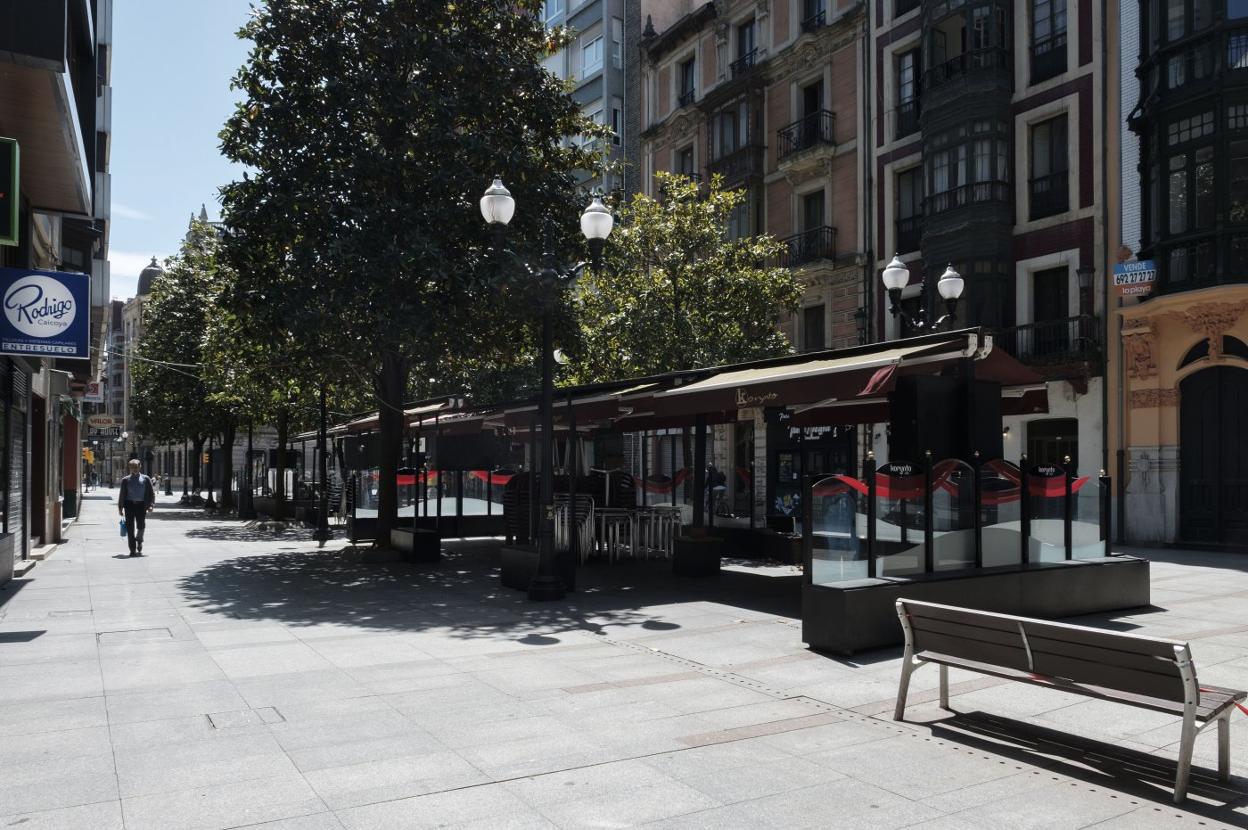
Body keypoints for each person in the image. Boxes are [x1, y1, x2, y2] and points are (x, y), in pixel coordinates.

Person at [117, 459, 155, 556]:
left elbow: (151, 493)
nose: (134, 469)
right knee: (130, 528)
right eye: (132, 467)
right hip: (129, 505)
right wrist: (120, 508)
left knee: (141, 525)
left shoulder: (146, 479)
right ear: (129, 468)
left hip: (141, 505)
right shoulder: (125, 480)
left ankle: (139, 539)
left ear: (140, 467)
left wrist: (151, 505)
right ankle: (132, 549)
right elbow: (122, 494)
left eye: (136, 467)